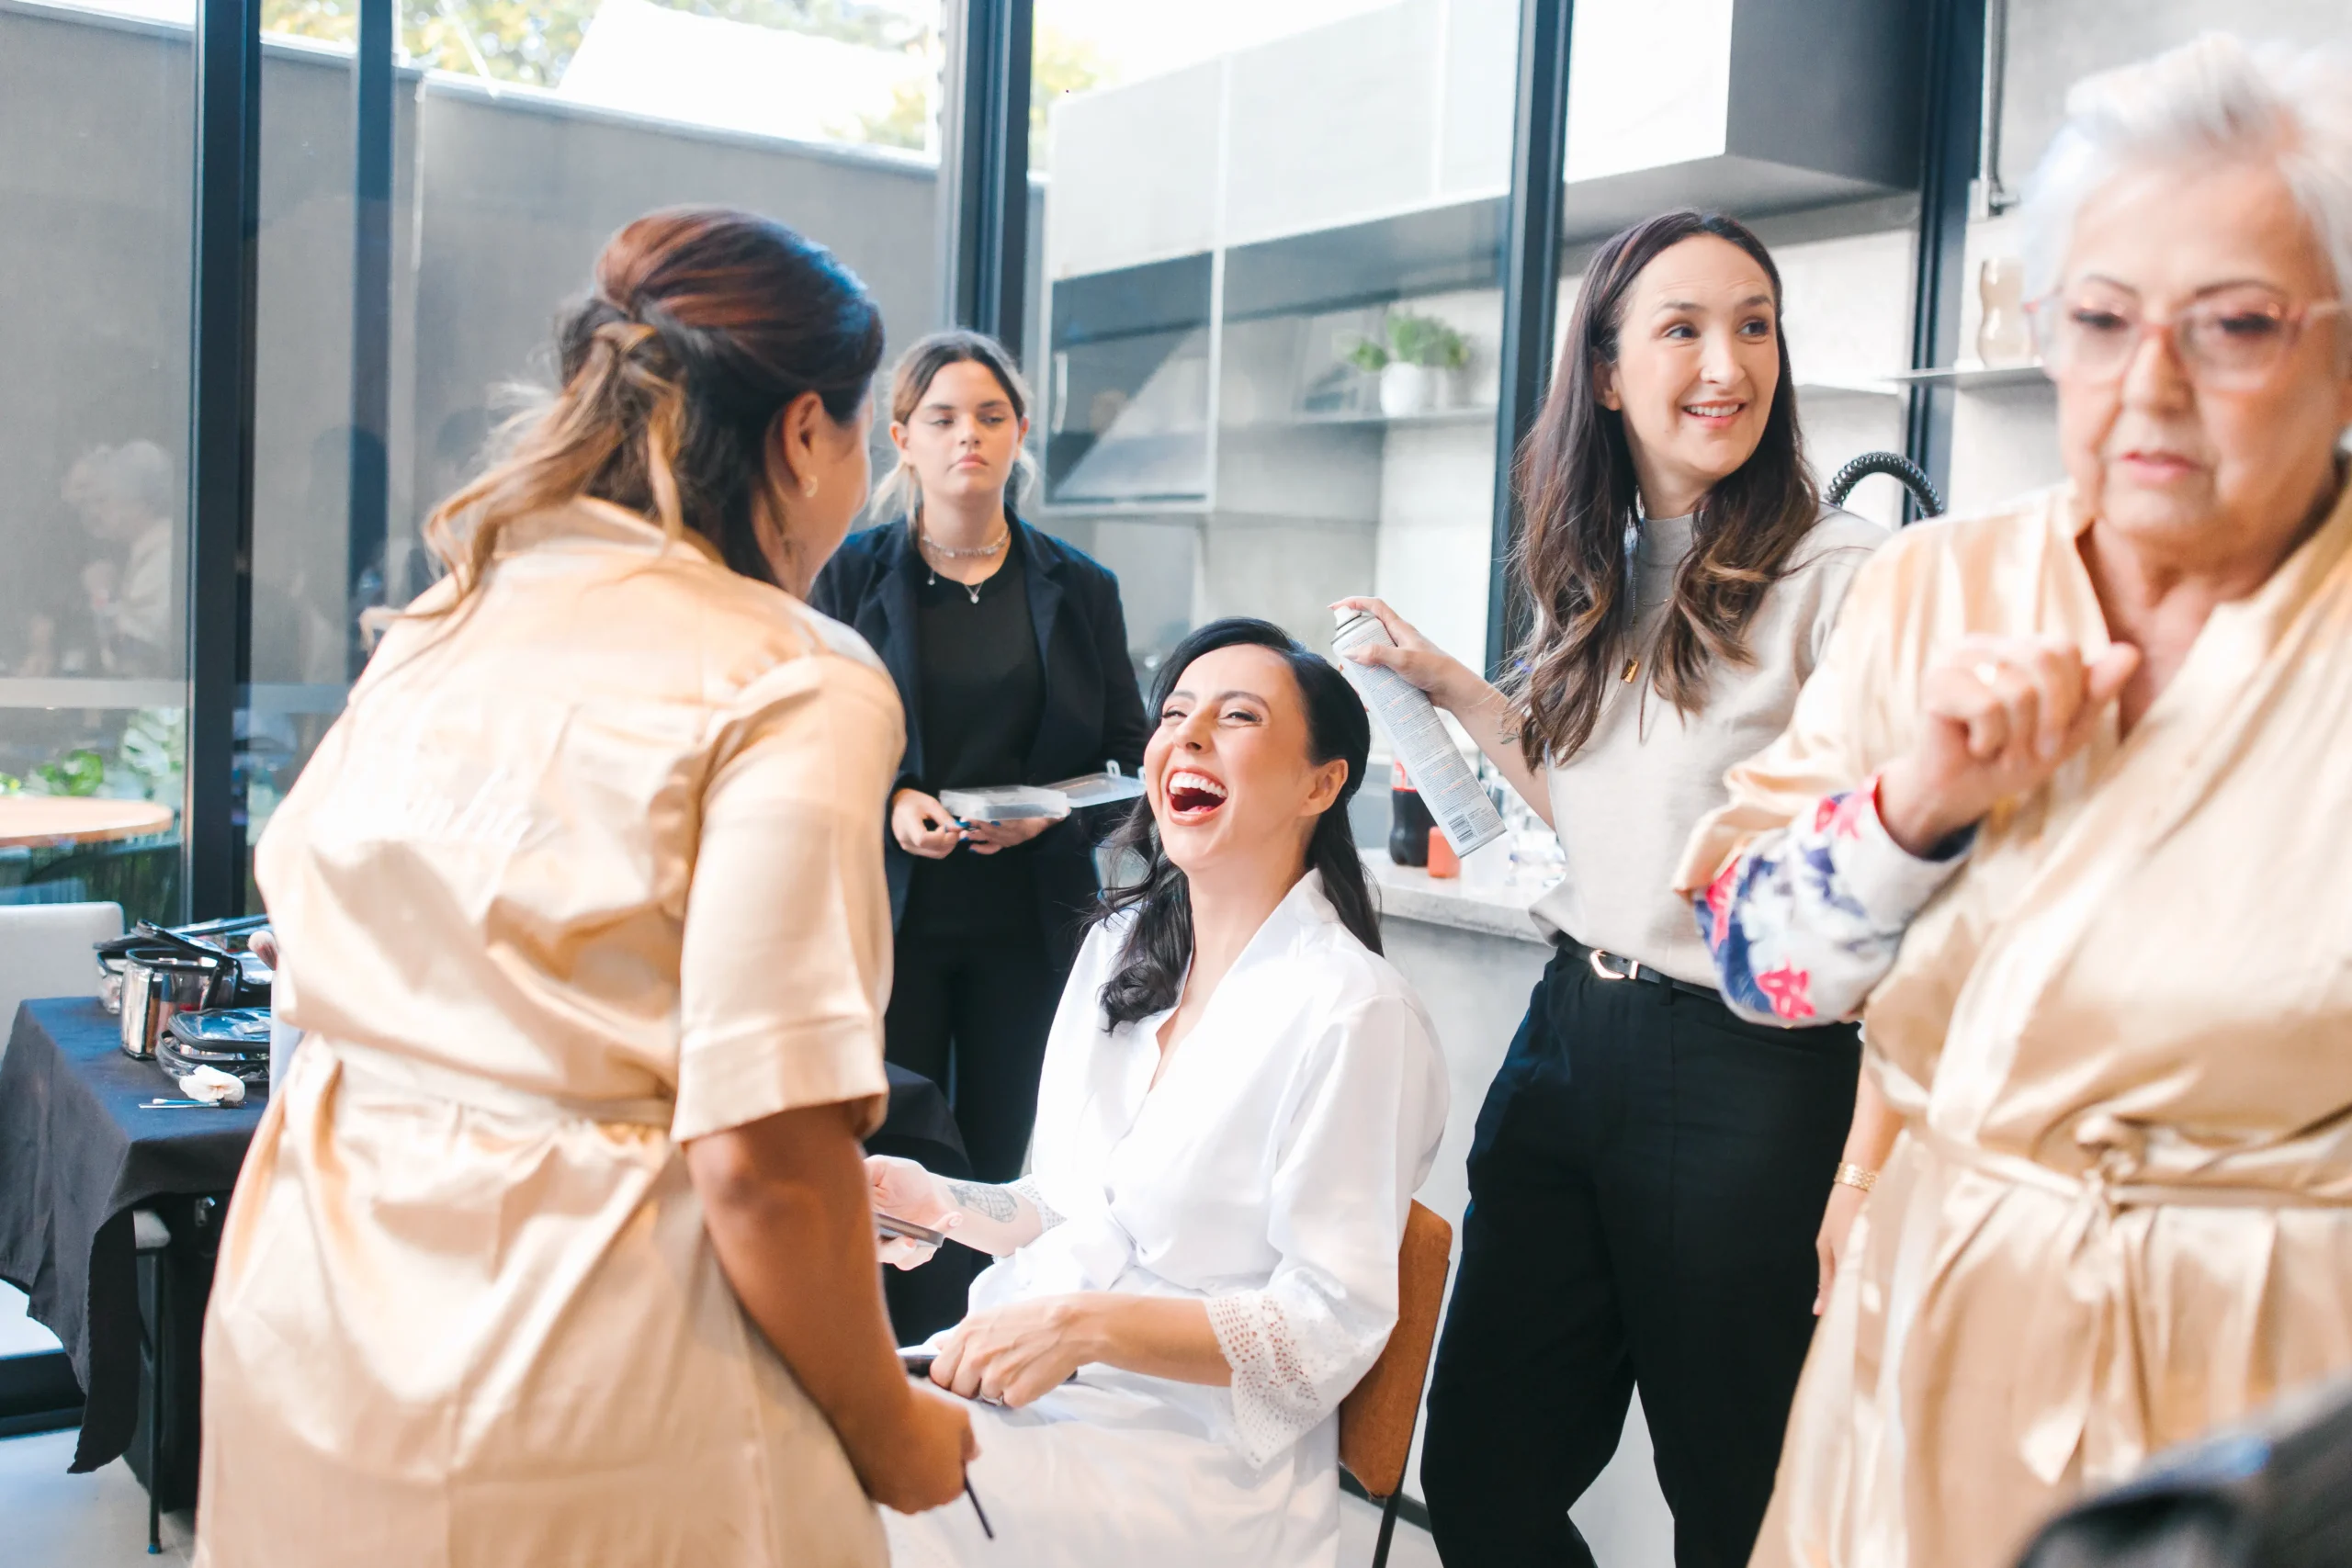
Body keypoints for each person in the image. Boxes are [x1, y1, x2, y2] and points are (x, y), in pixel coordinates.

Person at [195, 208, 973, 1567]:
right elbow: (768, 1159)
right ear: (805, 433)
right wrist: (896, 1433)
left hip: (310, 1320)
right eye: (865, 442)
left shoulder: (444, 620)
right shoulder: (795, 675)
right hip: (591, 1370)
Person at [1672, 36, 2352, 1568]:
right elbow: (1755, 967)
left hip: (2275, 1385)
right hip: (1938, 1331)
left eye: (2236, 324)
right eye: (2101, 321)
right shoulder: (1933, 585)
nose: (2149, 387)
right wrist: (1919, 801)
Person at [1341, 210, 1891, 1567]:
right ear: (1603, 369)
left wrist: (1866, 1166)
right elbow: (1606, 801)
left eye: (1753, 324)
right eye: (1684, 327)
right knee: (1481, 1472)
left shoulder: (1847, 577)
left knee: (1738, 1498)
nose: (1727, 363)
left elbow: (1914, 889)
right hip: (1568, 1038)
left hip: (1750, 1074)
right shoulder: (1597, 563)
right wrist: (1458, 690)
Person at [862, 617, 1450, 1568]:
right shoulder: (1119, 955)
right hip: (1039, 1399)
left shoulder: (1354, 1015)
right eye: (1174, 712)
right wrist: (935, 1204)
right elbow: (1064, 1209)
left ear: (1320, 783)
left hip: (1194, 1464)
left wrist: (1085, 1327)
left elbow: (1325, 1328)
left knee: (847, 1496)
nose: (1189, 734)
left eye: (1237, 716)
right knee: (777, 1432)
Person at [809, 331, 1148, 1187]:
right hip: (893, 916)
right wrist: (889, 800)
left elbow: (1127, 759)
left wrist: (1057, 810)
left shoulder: (1082, 588)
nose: (970, 435)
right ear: (903, 439)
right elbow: (810, 737)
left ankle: (980, 1322)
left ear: (1020, 432)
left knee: (1001, 1160)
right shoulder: (846, 577)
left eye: (991, 416)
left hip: (1030, 926)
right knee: (889, 1156)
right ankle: (894, 1327)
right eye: (945, 417)